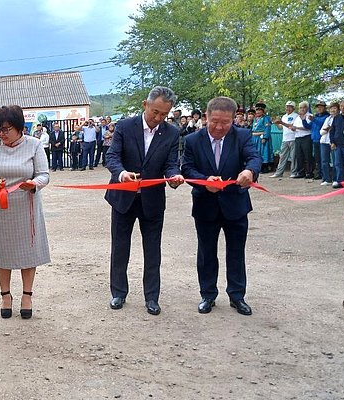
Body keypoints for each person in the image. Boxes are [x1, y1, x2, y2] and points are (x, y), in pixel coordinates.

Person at [104, 86, 184, 316]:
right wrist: (121, 174)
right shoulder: (125, 126)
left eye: (164, 115)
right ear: (145, 105)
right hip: (123, 198)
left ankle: (152, 297)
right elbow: (112, 156)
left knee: (152, 251)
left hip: (152, 201)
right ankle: (118, 292)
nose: (158, 118)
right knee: (120, 248)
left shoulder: (171, 132)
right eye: (155, 112)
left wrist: (173, 176)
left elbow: (171, 163)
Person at [181, 96, 261, 316]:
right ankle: (208, 295)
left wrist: (249, 171)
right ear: (206, 117)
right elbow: (187, 169)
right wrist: (205, 181)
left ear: (234, 120)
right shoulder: (192, 140)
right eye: (214, 121)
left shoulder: (242, 136)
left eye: (225, 122)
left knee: (236, 252)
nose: (219, 127)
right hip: (205, 205)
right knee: (206, 253)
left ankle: (237, 296)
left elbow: (254, 158)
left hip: (235, 204)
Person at [0, 105, 50, 319]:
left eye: (6, 129)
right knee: (3, 253)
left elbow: (44, 174)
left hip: (27, 208)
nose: (1, 133)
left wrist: (34, 183)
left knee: (28, 252)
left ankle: (27, 295)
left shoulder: (34, 145)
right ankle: (5, 295)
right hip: (1, 208)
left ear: (20, 128)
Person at [270, 101, 298, 178]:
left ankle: (294, 172)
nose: (288, 108)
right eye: (287, 106)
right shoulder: (284, 116)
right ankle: (279, 172)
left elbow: (293, 127)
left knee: (293, 157)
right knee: (282, 156)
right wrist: (276, 123)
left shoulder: (296, 116)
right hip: (285, 138)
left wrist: (282, 123)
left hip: (293, 138)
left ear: (293, 108)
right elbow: (281, 128)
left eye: (290, 107)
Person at [330, 100, 344, 187]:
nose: (343, 107)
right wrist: (332, 142)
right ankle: (339, 181)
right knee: (338, 163)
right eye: (341, 106)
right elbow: (332, 131)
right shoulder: (336, 117)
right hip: (337, 144)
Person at [291, 101, 314, 179]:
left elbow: (307, 127)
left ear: (307, 108)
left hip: (306, 137)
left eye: (304, 107)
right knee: (299, 155)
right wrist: (293, 129)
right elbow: (294, 126)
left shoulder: (310, 116)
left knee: (307, 155)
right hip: (297, 137)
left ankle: (309, 172)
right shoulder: (297, 117)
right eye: (300, 107)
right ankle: (300, 172)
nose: (302, 109)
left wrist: (296, 128)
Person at [319, 102, 339, 185]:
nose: (332, 110)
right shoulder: (328, 118)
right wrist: (327, 130)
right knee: (324, 161)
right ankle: (326, 179)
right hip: (324, 141)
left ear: (338, 109)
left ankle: (335, 179)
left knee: (336, 161)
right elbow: (321, 131)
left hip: (335, 142)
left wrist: (329, 129)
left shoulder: (339, 118)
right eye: (331, 108)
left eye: (334, 108)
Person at [250, 104, 272, 172]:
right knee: (256, 152)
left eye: (259, 110)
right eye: (257, 110)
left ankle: (265, 167)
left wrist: (264, 138)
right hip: (255, 138)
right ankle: (258, 166)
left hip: (262, 138)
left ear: (263, 111)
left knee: (263, 152)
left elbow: (267, 128)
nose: (257, 112)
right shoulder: (256, 119)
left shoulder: (266, 118)